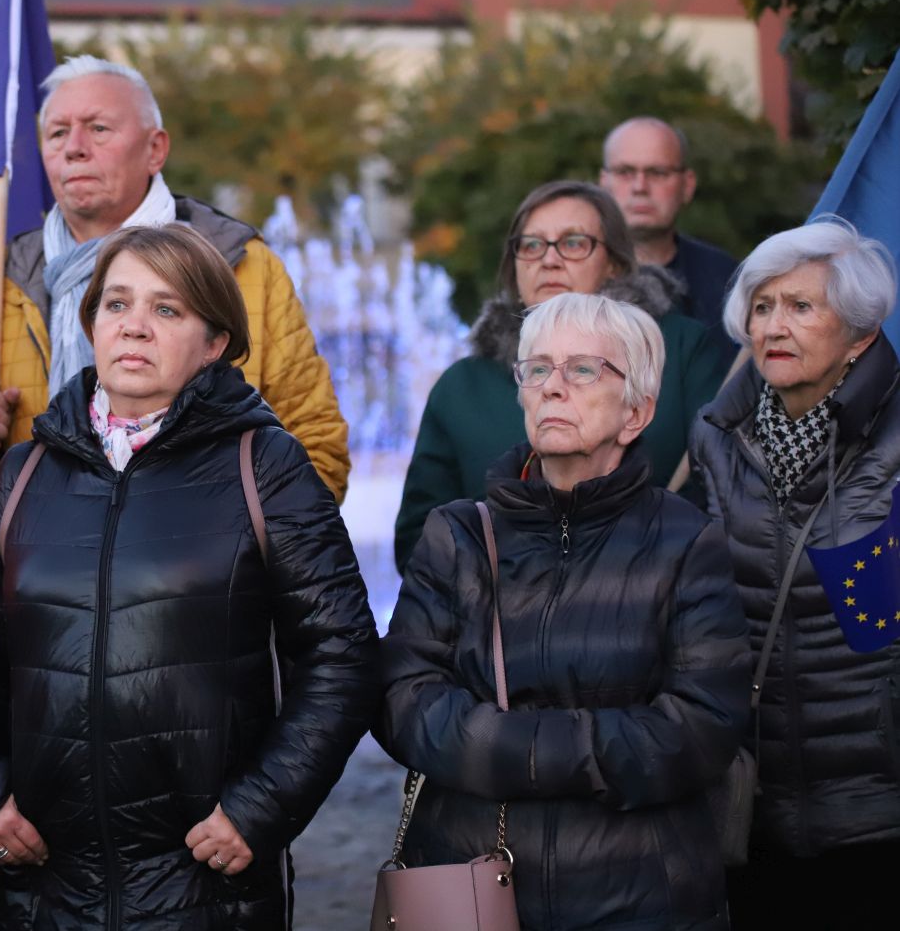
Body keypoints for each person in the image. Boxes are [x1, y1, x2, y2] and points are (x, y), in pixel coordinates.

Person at [0, 225, 377, 929]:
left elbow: (343, 654)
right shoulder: (26, 475)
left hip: (206, 881)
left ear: (214, 344)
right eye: (116, 305)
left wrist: (262, 807)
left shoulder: (265, 466)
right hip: (49, 881)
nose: (134, 327)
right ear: (91, 327)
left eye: (166, 310)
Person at [376, 292, 751, 930]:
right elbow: (401, 699)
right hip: (471, 889)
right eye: (537, 369)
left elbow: (702, 726)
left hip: (640, 897)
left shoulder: (687, 541)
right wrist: (589, 745)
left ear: (636, 411)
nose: (553, 388)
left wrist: (510, 746)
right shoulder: (459, 535)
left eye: (582, 370)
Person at [0, 54, 350, 503]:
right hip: (34, 568)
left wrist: (224, 550)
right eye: (57, 133)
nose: (74, 147)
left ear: (155, 149)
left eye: (98, 128)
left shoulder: (243, 267)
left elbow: (319, 448)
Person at [687, 217, 900, 927]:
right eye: (762, 306)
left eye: (801, 306)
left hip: (877, 803)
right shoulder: (718, 436)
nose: (774, 325)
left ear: (861, 334)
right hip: (753, 798)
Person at [393, 179, 725, 572]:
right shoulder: (462, 386)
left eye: (572, 243)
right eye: (531, 245)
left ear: (615, 263)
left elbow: (717, 488)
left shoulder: (679, 349)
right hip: (498, 615)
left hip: (649, 599)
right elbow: (419, 539)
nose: (548, 260)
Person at [600, 116, 740, 345]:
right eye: (625, 172)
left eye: (658, 172)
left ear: (688, 184)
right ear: (604, 183)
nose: (640, 187)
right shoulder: (572, 273)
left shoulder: (728, 282)